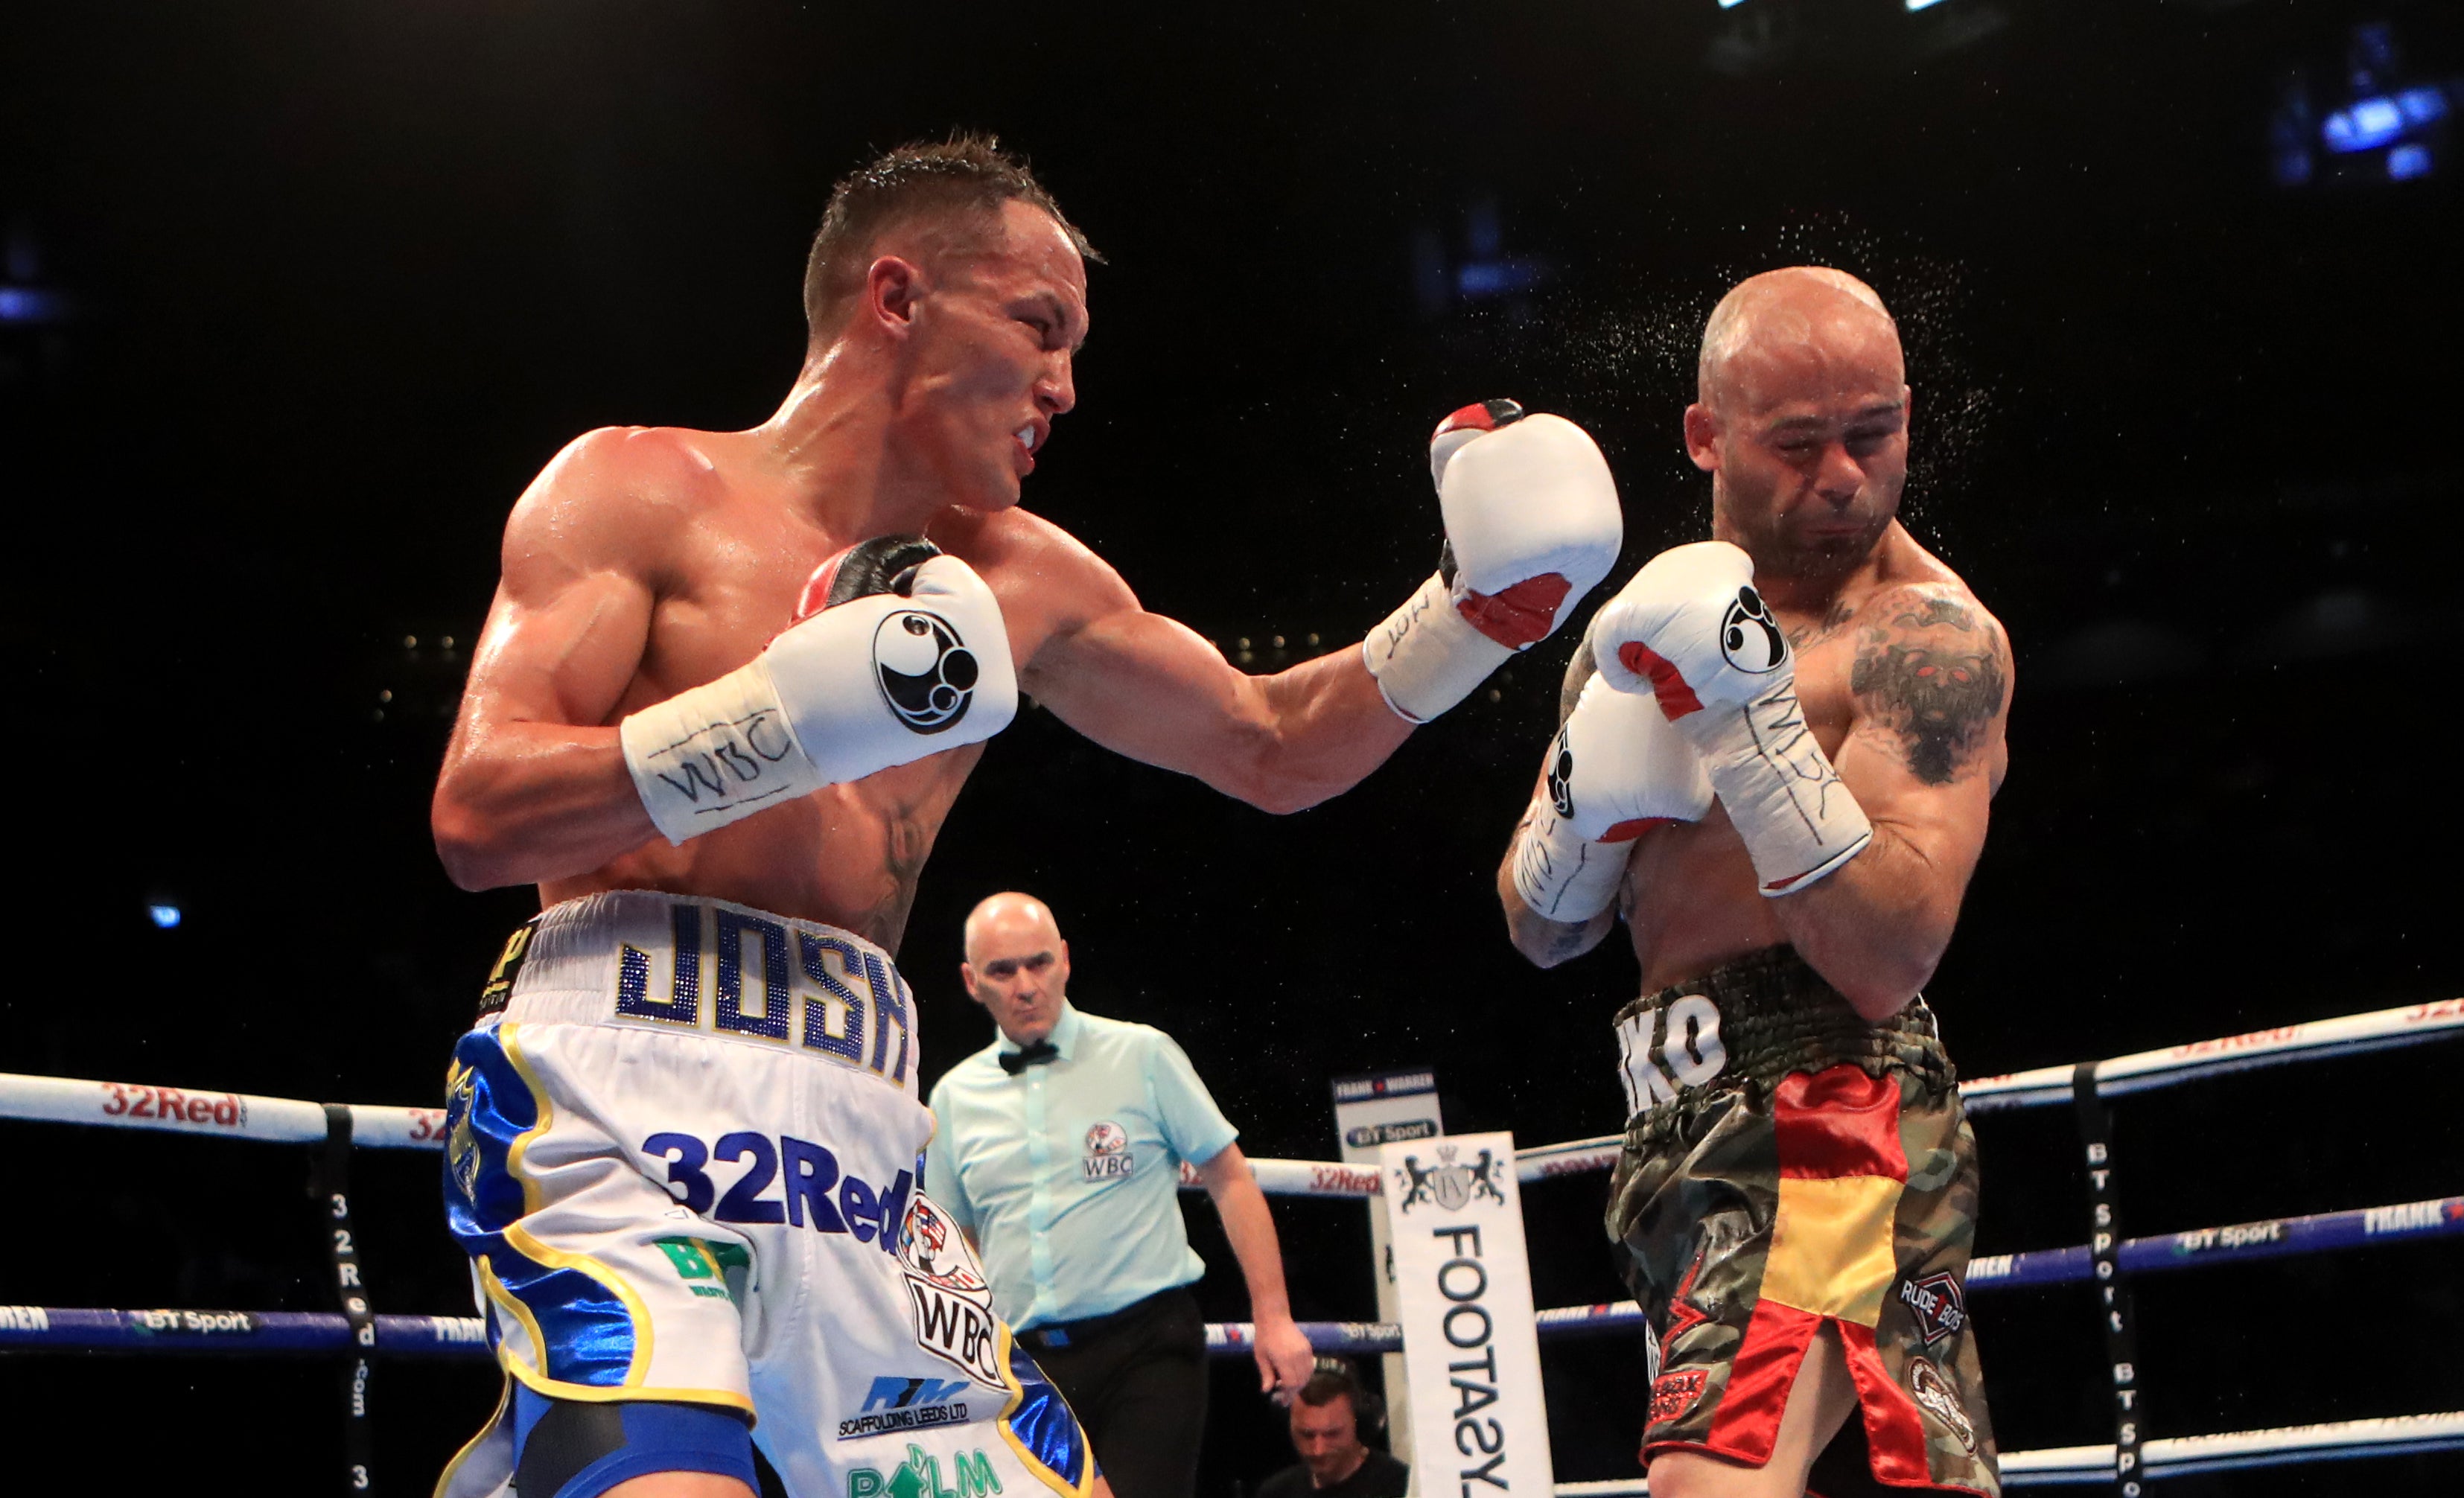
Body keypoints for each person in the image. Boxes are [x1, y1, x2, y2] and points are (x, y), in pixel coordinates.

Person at [428, 132, 1623, 1498]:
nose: (1062, 385)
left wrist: (1469, 617)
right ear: (896, 300)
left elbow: (1270, 745)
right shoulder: (637, 489)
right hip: (620, 1082)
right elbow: (478, 814)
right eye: (1035, 326)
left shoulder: (1015, 575)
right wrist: (776, 720)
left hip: (863, 1134)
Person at [1495, 267, 2013, 1498]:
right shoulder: (1633, 634)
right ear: (1704, 437)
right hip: (1671, 1125)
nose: (1840, 476)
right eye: (1796, 444)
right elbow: (1539, 930)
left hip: (1835, 1112)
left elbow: (1885, 955)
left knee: (1707, 1479)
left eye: (1871, 434)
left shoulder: (1922, 639)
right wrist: (1578, 820)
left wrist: (1740, 720)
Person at [924, 892, 1312, 1498]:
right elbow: (953, 1240)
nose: (1026, 985)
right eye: (1003, 971)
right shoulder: (951, 1097)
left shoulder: (1142, 1054)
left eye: (1039, 963)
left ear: (1066, 961)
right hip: (1023, 1363)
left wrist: (1274, 1318)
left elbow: (1229, 1178)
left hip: (1147, 1346)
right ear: (972, 982)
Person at [1255, 1362, 1409, 1498]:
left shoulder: (1401, 1486)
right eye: (1307, 1435)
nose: (1318, 1450)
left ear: (1360, 1423)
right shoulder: (1276, 1492)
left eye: (1332, 1434)